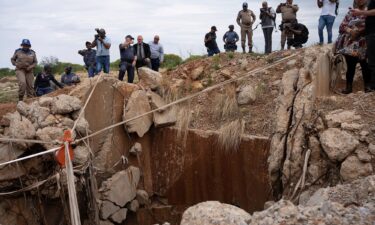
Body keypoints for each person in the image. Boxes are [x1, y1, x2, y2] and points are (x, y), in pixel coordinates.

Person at [335, 0, 371, 94]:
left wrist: (360, 31)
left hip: (364, 43)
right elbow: (341, 26)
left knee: (365, 66)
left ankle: (367, 86)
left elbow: (371, 25)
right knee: (350, 66)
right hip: (351, 44)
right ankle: (348, 87)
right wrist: (350, 31)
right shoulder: (351, 12)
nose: (359, 0)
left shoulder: (369, 12)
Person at [351, 0, 375, 91]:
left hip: (372, 34)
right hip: (369, 34)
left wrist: (361, 12)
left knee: (372, 62)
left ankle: (372, 86)